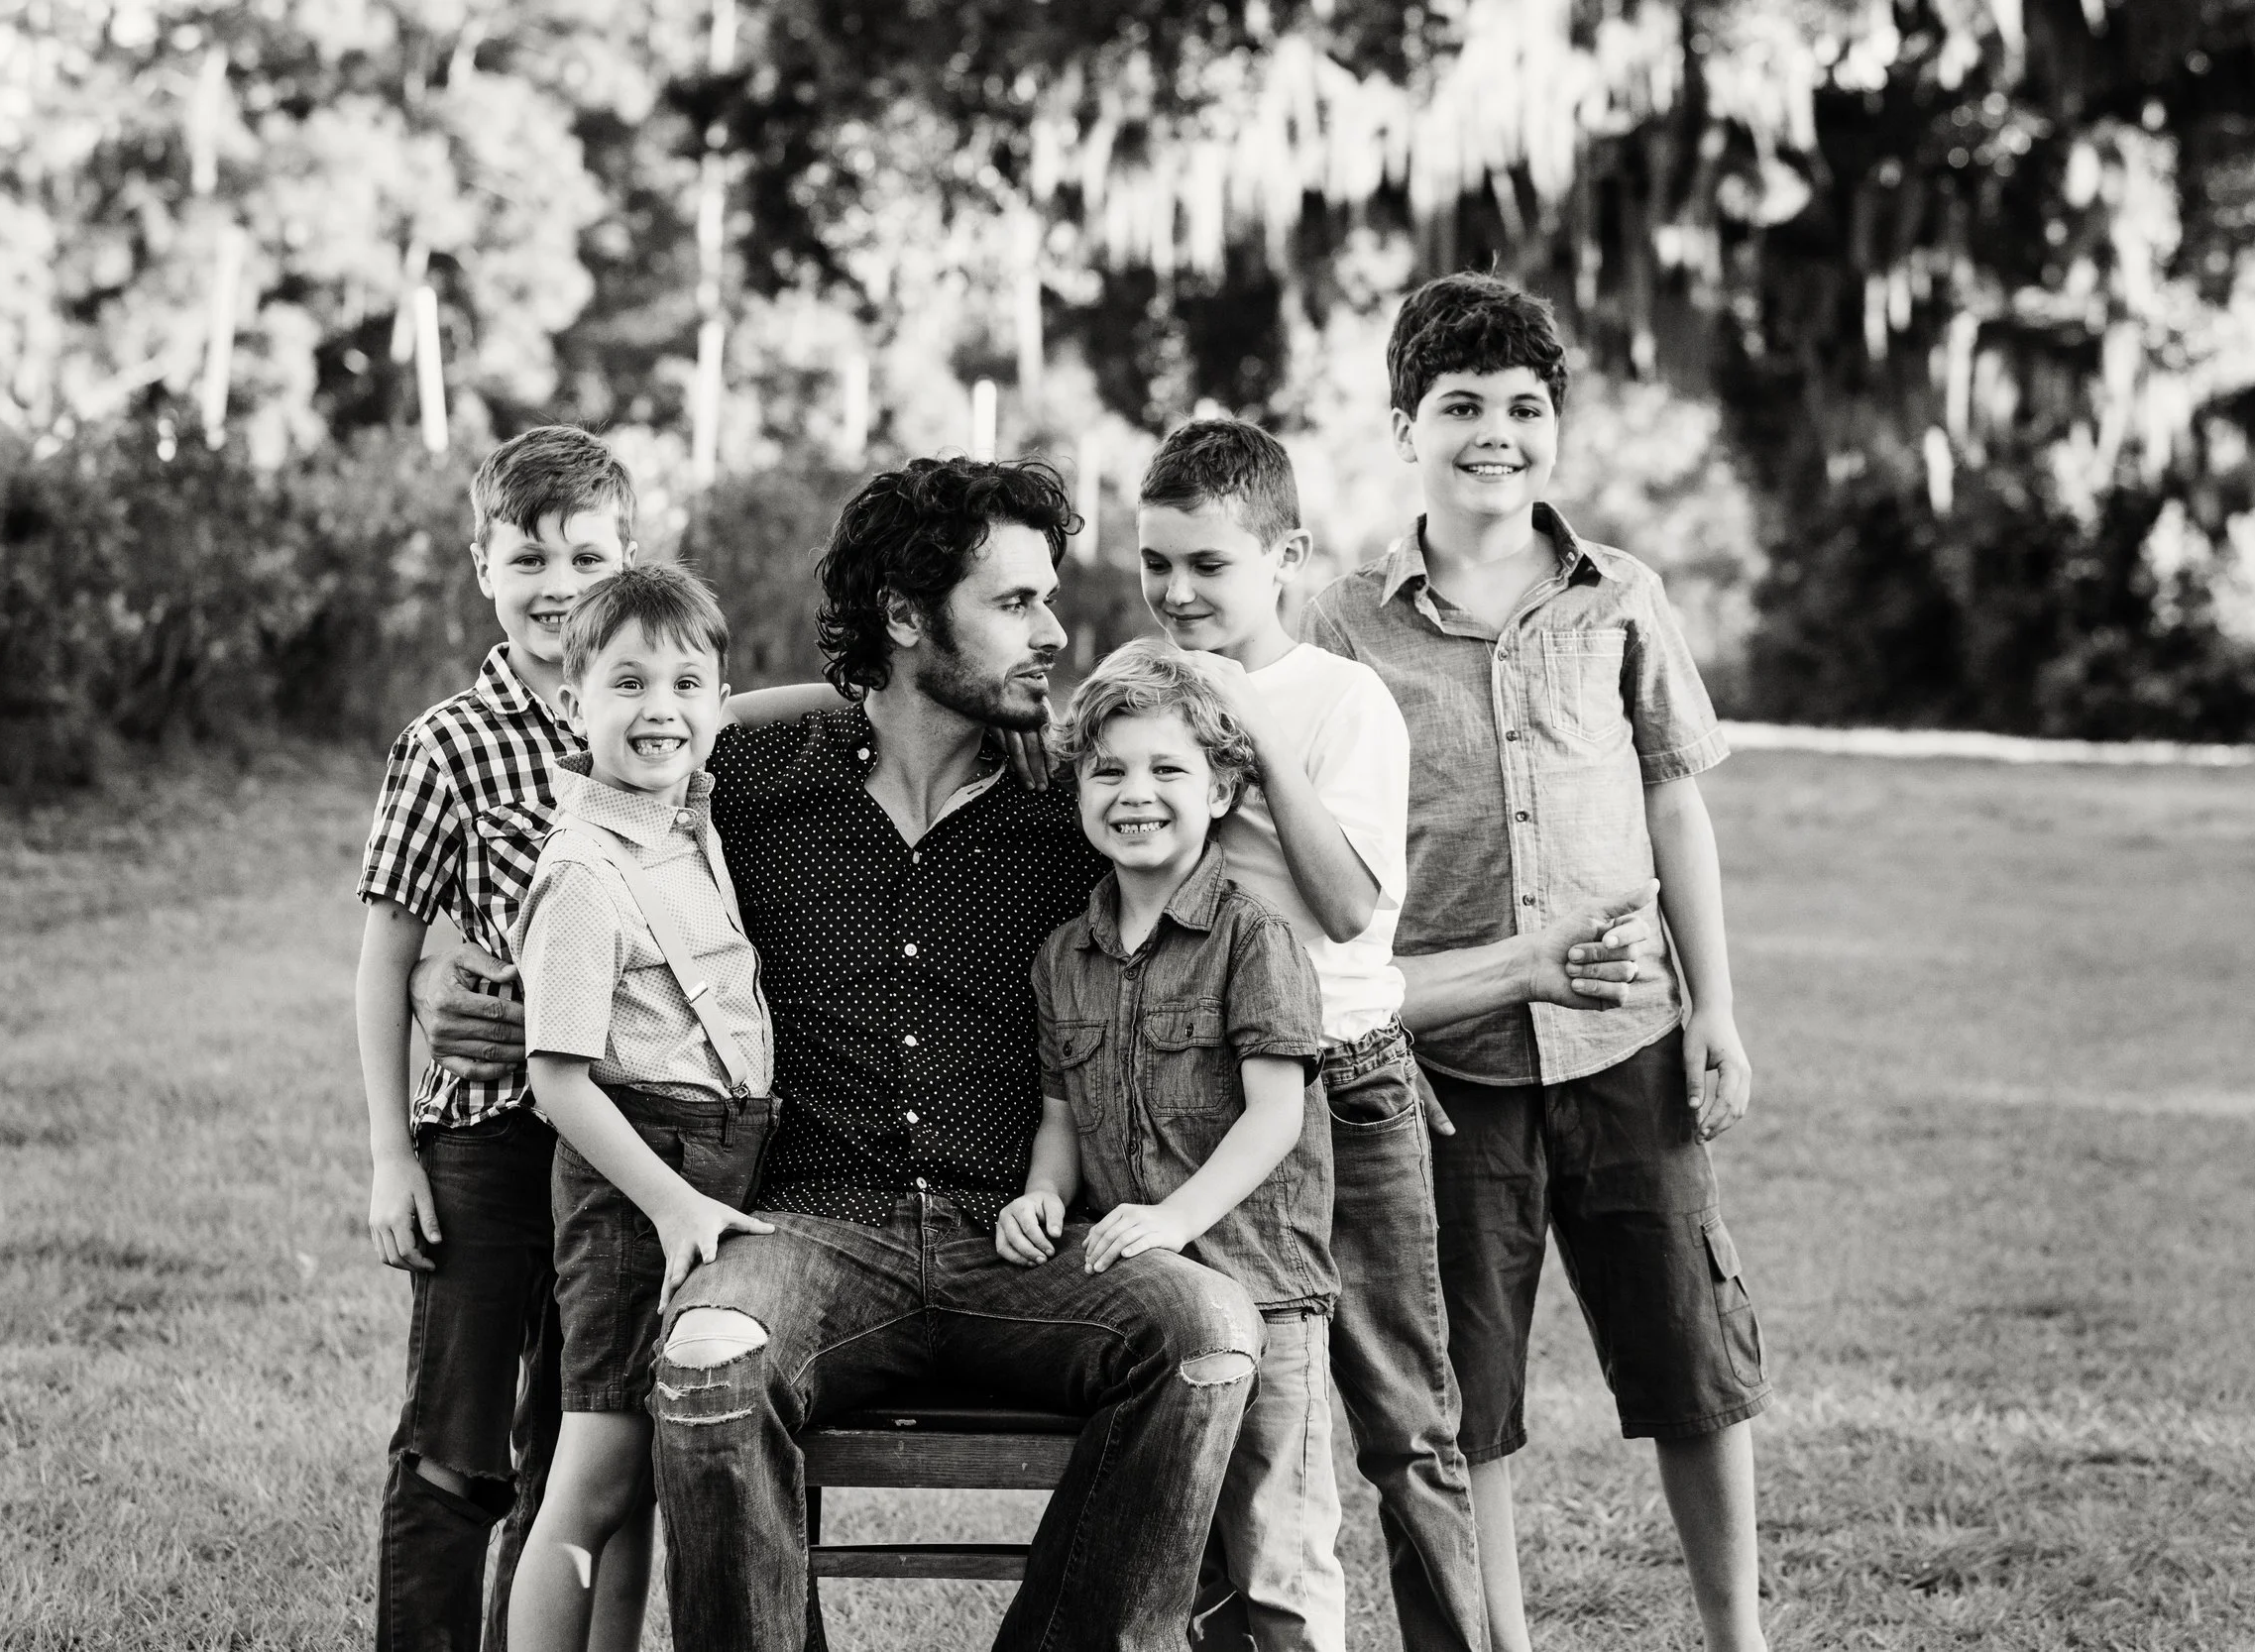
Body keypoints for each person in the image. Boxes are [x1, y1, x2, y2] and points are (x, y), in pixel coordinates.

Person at [409, 454, 1657, 1651]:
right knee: (709, 1355)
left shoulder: (1082, 801)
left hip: (1020, 1239)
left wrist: (1508, 969)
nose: (1053, 631)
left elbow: (1305, 964)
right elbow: (596, 861)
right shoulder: (751, 778)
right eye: (1014, 603)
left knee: (1205, 1331)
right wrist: (459, 987)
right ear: (906, 618)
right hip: (809, 1233)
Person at [1305, 272, 1770, 1652]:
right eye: (1461, 407)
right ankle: (1495, 1637)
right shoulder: (1346, 622)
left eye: (1522, 406)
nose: (1494, 434)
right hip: (1446, 1068)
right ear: (1406, 428)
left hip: (1628, 1042)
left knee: (1693, 1357)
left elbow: (1674, 799)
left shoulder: (1619, 594)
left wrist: (1714, 1007)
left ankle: (1737, 1632)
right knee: (1468, 1389)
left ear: (1556, 425)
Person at [1138, 416, 1645, 1652]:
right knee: (1230, 1412)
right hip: (1206, 1096)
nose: (1177, 590)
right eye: (1156, 562)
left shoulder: (1340, 699)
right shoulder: (1145, 693)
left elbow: (1347, 905)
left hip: (1346, 1086)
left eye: (1208, 563)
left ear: (1287, 559)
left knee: (1407, 1416)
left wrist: (1251, 731)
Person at [351, 425, 649, 1650]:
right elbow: (386, 957)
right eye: (527, 558)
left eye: (587, 556)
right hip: (486, 1141)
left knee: (573, 1444)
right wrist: (391, 1154)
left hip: (619, 1143)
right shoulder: (450, 744)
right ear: (483, 566)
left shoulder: (661, 724)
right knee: (454, 1448)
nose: (556, 584)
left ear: (627, 561)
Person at [1000, 639, 1343, 1651]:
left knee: (1276, 1563)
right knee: (1171, 1567)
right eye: (1108, 770)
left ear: (1223, 788)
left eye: (1166, 769)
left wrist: (1173, 1216)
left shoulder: (1254, 939)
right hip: (1151, 1317)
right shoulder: (1062, 955)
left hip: (1263, 1290)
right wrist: (1042, 1194)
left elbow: (1275, 1114)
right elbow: (1061, 1116)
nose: (1134, 793)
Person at [505, 566, 781, 1652]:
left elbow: (737, 708)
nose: (659, 708)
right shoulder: (583, 868)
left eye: (685, 685)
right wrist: (671, 1204)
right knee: (595, 1475)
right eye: (628, 683)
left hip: (708, 1167)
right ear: (573, 701)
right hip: (640, 1183)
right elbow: (557, 1079)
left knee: (643, 1489)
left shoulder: (682, 819)